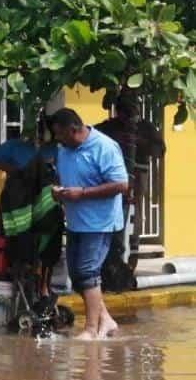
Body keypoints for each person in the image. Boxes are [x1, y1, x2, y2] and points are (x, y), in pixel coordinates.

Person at [50, 108, 129, 340]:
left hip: (99, 222)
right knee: (77, 276)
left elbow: (121, 185)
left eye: (61, 135)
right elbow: (63, 177)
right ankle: (106, 320)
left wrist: (82, 193)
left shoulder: (104, 147)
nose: (58, 140)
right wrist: (58, 191)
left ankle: (91, 330)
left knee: (87, 272)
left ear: (75, 129)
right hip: (76, 221)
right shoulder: (64, 150)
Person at [96, 94, 166, 270]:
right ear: (117, 112)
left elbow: (160, 149)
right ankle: (111, 253)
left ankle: (132, 254)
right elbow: (91, 136)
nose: (128, 116)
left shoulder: (145, 127)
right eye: (125, 112)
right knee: (113, 210)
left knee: (134, 212)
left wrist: (139, 142)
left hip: (138, 173)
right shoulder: (108, 127)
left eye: (132, 112)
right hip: (112, 175)